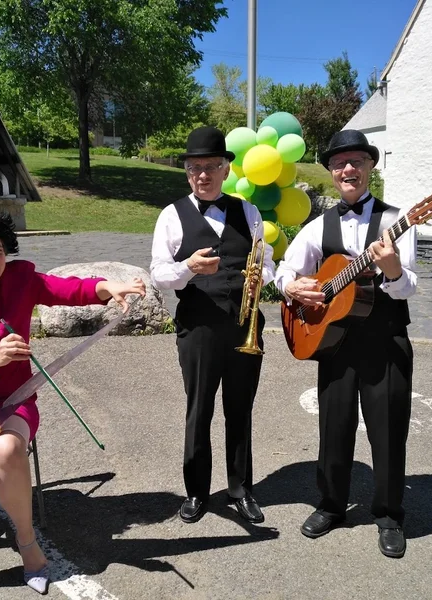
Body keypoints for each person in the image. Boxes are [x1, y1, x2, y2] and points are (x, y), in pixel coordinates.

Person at [0, 208, 145, 599]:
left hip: (12, 399)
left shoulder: (22, 277)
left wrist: (109, 287)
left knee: (7, 449)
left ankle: (28, 544)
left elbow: (66, 290)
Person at [274, 129, 417, 558]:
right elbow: (284, 270)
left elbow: (409, 286)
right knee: (333, 428)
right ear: (332, 173)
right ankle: (332, 504)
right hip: (334, 344)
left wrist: (391, 269)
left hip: (385, 340)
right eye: (339, 163)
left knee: (388, 431)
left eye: (356, 160)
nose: (348, 169)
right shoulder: (319, 225)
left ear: (371, 166)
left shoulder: (398, 220)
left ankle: (389, 514)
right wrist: (293, 288)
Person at [150, 126, 276, 525]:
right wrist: (187, 268)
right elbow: (158, 275)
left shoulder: (248, 210)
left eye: (210, 166)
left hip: (244, 326)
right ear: (187, 172)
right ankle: (197, 491)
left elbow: (267, 261)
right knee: (199, 409)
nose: (202, 174)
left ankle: (240, 489)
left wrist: (264, 277)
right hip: (199, 328)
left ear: (225, 169)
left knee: (240, 410)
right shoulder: (171, 215)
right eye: (194, 167)